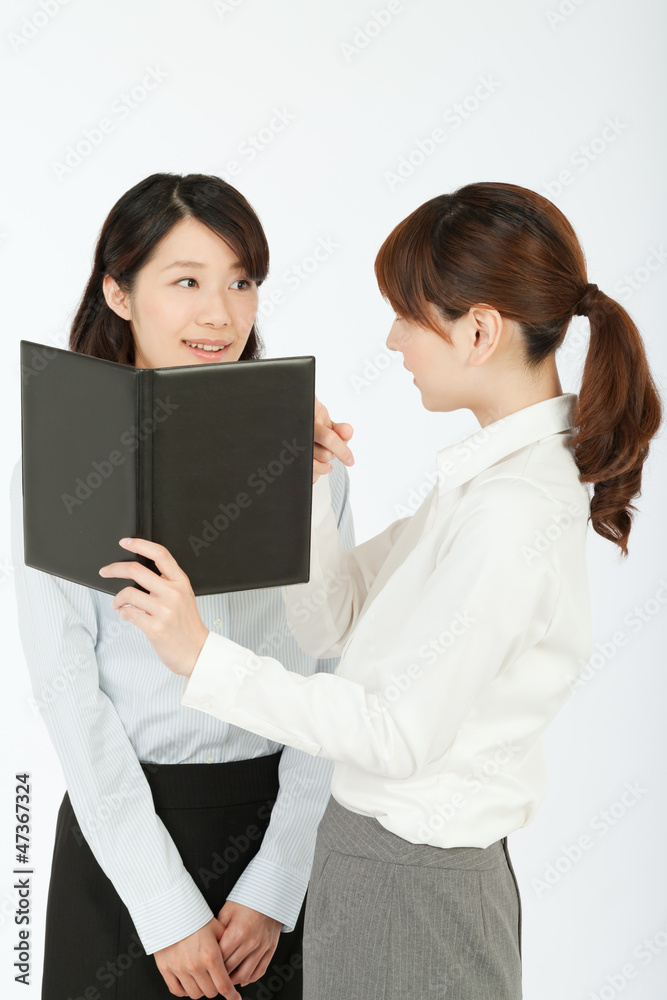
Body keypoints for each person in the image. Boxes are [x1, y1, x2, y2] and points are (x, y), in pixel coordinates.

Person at [97, 181, 663, 1000]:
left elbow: (396, 735)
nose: (394, 340)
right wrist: (300, 488)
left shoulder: (510, 512)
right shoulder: (478, 488)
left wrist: (201, 657)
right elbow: (332, 620)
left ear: (476, 330)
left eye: (407, 313)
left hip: (415, 884)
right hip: (373, 865)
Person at [10, 172, 355, 1000]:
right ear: (119, 293)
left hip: (283, 830)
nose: (221, 314)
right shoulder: (61, 467)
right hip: (126, 840)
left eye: (241, 282)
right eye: (187, 282)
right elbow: (68, 696)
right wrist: (163, 908)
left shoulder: (306, 456)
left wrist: (278, 882)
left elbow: (334, 670)